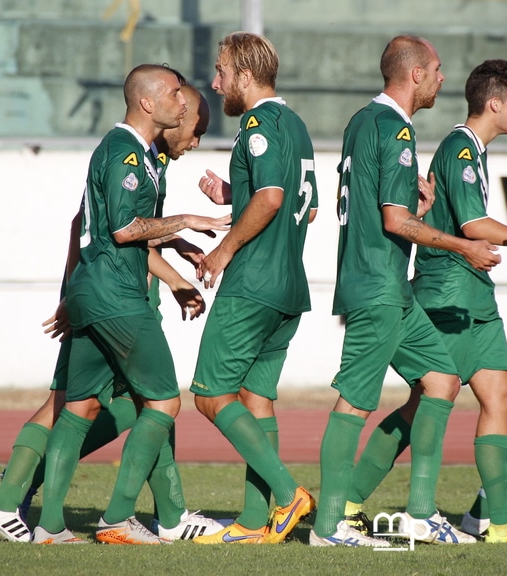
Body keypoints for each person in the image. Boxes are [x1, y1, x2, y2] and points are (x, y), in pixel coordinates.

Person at [339, 60, 507, 545]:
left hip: (474, 295)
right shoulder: (460, 149)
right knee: (423, 403)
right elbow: (473, 228)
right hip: (447, 294)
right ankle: (348, 503)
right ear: (495, 103)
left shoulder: (473, 150)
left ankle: (499, 524)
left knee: (501, 396)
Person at [0, 78, 223, 544]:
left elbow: (100, 224)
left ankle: (49, 522)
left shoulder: (149, 159)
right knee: (159, 402)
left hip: (97, 289)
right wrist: (187, 225)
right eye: (194, 126)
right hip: (115, 294)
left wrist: (173, 258)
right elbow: (123, 230)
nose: (194, 139)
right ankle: (108, 517)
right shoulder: (128, 154)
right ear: (153, 105)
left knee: (80, 403)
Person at [310, 35, 501, 548]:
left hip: (389, 284)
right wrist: (462, 247)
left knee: (441, 381)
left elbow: (382, 212)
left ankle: (420, 514)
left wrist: (417, 212)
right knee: (354, 402)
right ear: (415, 74)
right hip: (377, 285)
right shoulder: (394, 127)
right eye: (437, 70)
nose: (443, 78)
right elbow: (393, 222)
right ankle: (327, 527)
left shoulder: (361, 121)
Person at [186, 32, 318, 546]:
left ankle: (288, 495)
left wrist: (224, 249)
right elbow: (298, 205)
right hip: (288, 285)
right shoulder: (298, 126)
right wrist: (233, 193)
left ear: (244, 73)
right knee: (256, 401)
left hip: (253, 282)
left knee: (210, 395)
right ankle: (252, 521)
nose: (215, 83)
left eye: (221, 71)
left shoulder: (258, 124)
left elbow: (271, 196)